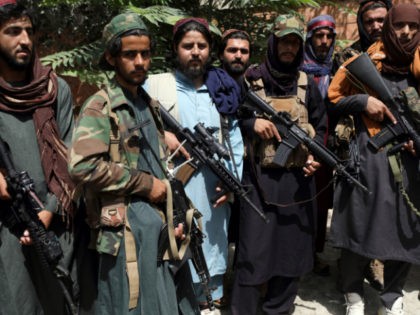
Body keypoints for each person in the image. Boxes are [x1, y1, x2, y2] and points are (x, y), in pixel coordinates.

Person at [68, 12, 198, 315]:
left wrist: (173, 214)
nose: (140, 61)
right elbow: (82, 167)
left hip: (157, 232)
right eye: (130, 54)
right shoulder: (101, 107)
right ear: (112, 58)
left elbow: (158, 167)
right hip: (124, 237)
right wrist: (145, 184)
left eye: (145, 53)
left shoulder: (146, 103)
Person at [146, 17, 244, 314]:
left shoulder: (223, 89)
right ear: (176, 49)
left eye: (201, 46)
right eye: (188, 46)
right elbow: (136, 126)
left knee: (210, 259)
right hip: (168, 193)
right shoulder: (155, 85)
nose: (195, 52)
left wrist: (233, 182)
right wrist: (162, 135)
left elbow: (234, 141)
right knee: (170, 260)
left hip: (213, 196)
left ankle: (208, 303)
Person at [231, 15, 327, 315]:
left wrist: (316, 156)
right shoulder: (251, 78)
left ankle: (278, 309)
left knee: (291, 251)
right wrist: (252, 123)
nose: (289, 48)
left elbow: (321, 125)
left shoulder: (307, 84)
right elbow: (230, 119)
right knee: (253, 250)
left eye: (295, 43)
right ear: (273, 42)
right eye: (284, 41)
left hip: (297, 181)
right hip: (258, 179)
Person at [328, 3, 420, 315]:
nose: (405, 33)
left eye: (413, 27)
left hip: (409, 163)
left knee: (405, 230)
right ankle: (353, 295)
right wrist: (364, 101)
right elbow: (333, 100)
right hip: (368, 157)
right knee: (360, 225)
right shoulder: (365, 62)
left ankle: (391, 297)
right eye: (400, 26)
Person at [0, 0, 77, 314]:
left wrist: (50, 209)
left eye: (29, 31)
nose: (25, 40)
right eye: (13, 32)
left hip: (56, 224)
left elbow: (74, 158)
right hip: (7, 230)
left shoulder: (55, 89)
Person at [301, 14, 336, 277]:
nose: (323, 42)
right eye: (318, 36)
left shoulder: (338, 69)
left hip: (328, 148)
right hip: (300, 147)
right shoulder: (297, 68)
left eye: (328, 36)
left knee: (320, 203)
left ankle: (311, 254)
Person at [333, 0, 392, 73]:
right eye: (369, 22)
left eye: (381, 20)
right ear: (362, 25)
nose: (375, 27)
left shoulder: (402, 51)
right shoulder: (347, 57)